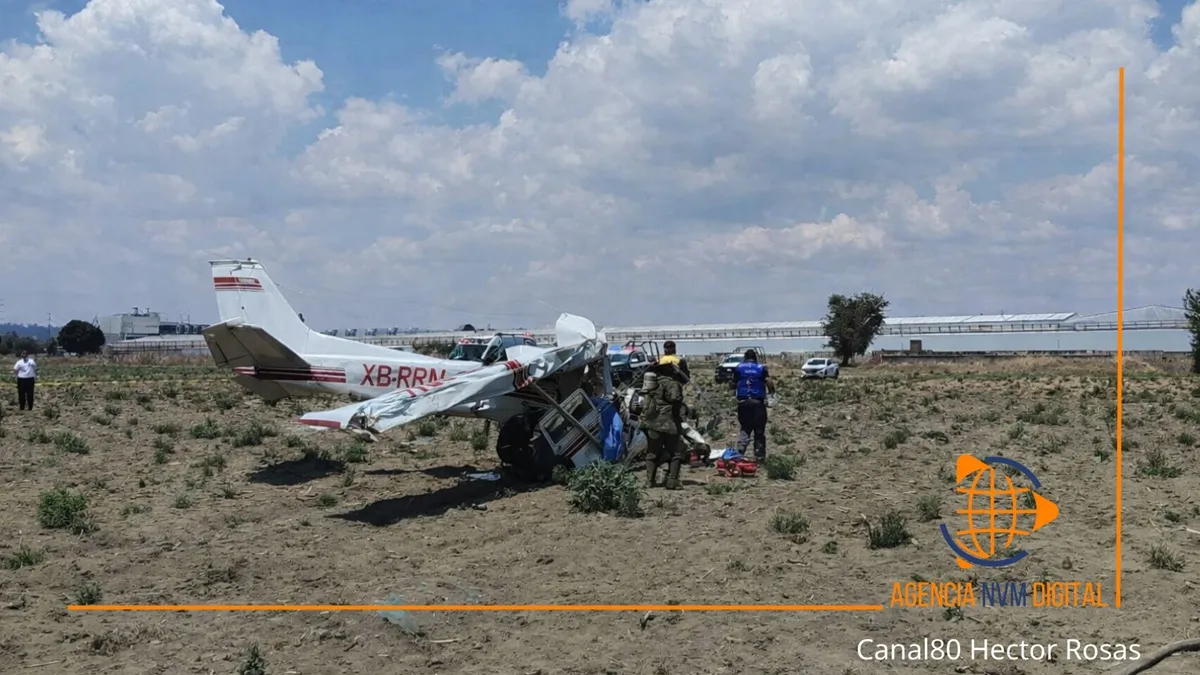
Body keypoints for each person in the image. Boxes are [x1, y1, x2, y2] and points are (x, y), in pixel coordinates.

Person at [639, 359, 689, 489]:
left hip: (652, 424)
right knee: (676, 453)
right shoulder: (673, 384)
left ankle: (649, 481)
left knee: (652, 453)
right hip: (669, 424)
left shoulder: (652, 383)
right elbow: (675, 399)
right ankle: (672, 481)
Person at [732, 349, 774, 461]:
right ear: (755, 357)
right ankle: (759, 455)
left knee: (745, 428)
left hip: (743, 402)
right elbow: (768, 381)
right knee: (759, 430)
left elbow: (733, 383)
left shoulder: (739, 368)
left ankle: (740, 451)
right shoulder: (761, 368)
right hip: (758, 403)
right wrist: (772, 392)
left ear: (745, 357)